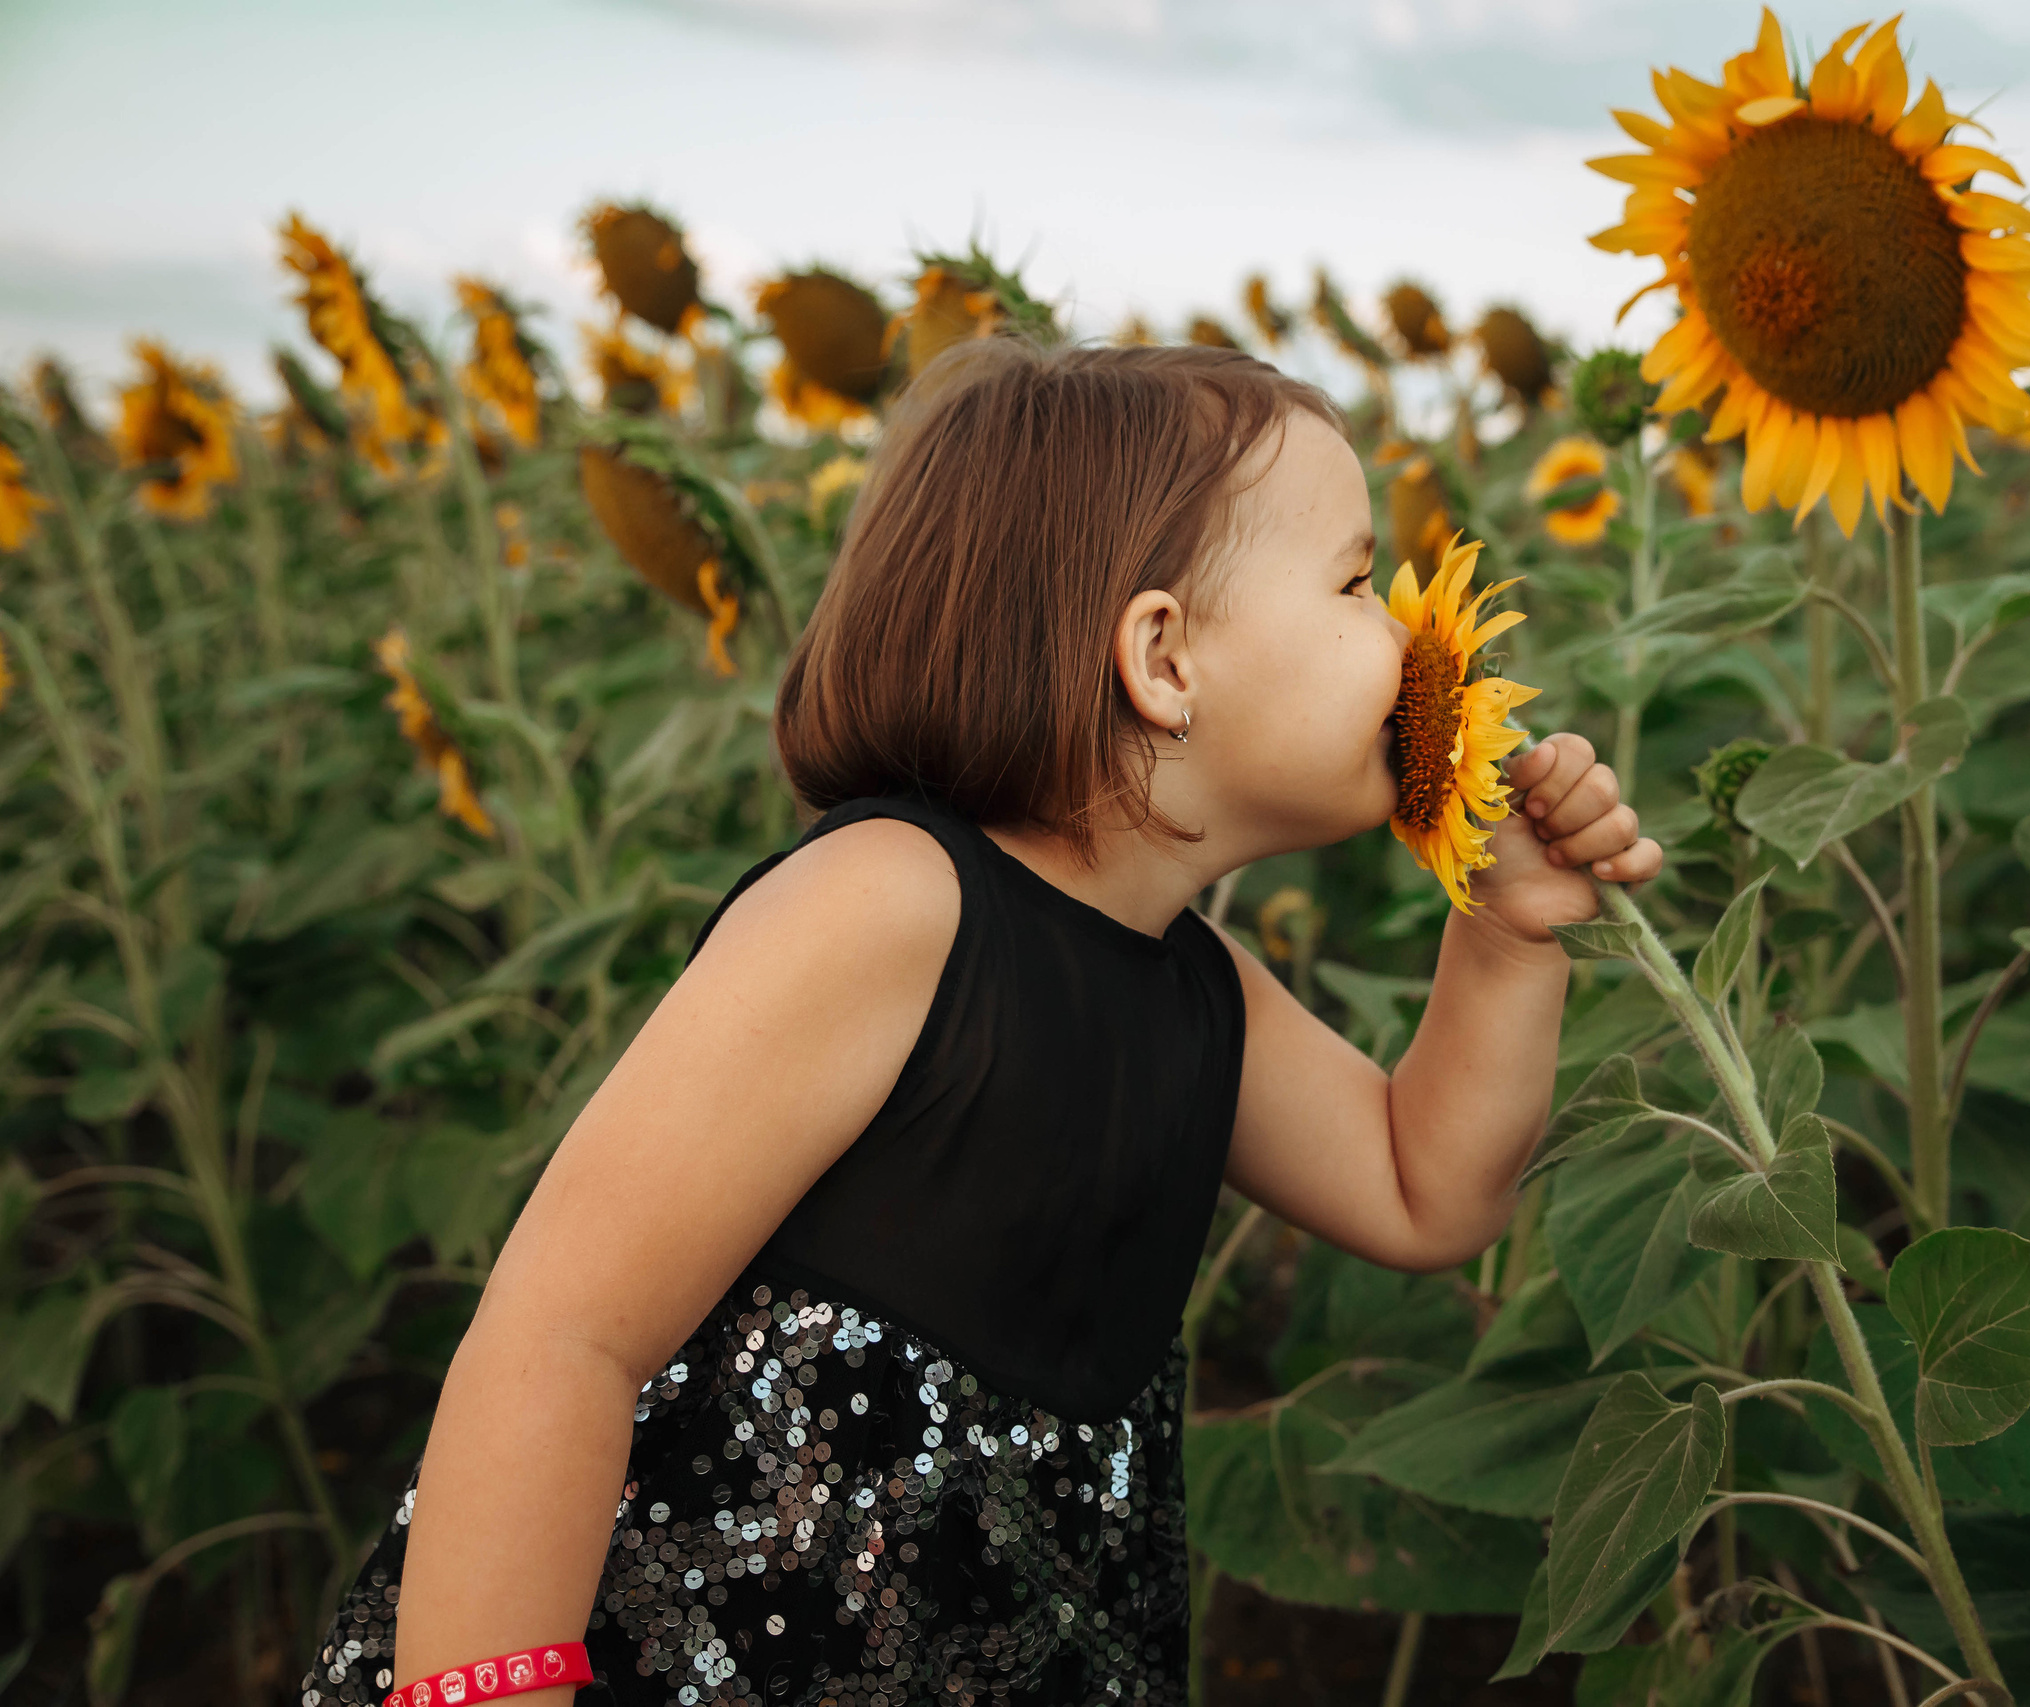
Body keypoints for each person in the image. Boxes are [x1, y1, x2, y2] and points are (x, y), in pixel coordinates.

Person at [299, 335, 1661, 1707]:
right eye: (1358, 585)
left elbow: (1425, 1188)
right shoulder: (892, 906)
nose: (1414, 640)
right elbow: (560, 1335)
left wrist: (1505, 935)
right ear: (1164, 659)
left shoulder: (1196, 988)